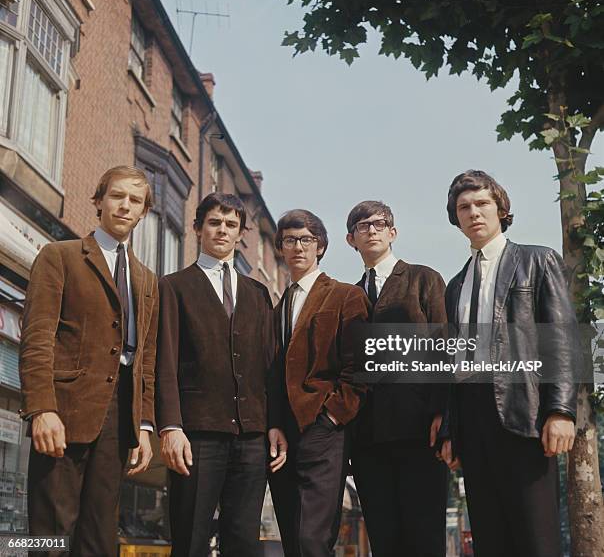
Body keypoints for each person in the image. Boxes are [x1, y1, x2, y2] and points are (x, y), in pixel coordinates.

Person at [19, 165, 158, 556]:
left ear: (143, 213)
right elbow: (37, 338)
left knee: (99, 540)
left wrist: (144, 425)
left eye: (135, 201)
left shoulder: (148, 281)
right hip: (63, 413)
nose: (125, 206)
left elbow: (144, 357)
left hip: (118, 424)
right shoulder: (59, 256)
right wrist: (41, 408)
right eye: (117, 196)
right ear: (99, 202)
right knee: (50, 537)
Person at [440, 170, 578, 557]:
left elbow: (561, 339)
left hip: (524, 412)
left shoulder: (537, 260)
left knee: (535, 538)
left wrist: (561, 409)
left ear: (501, 208)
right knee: (490, 538)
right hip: (473, 418)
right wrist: (452, 429)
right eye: (463, 207)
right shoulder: (456, 285)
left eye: (482, 203)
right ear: (456, 217)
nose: (473, 213)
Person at [155, 192, 287, 557]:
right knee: (191, 536)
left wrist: (274, 423)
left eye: (231, 225)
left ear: (241, 233)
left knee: (244, 539)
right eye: (214, 222)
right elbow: (163, 360)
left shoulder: (258, 293)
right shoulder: (174, 286)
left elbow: (270, 365)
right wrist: (170, 426)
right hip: (197, 435)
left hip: (252, 437)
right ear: (198, 228)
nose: (222, 231)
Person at [345, 200, 449, 556]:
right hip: (368, 439)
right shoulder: (348, 296)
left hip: (419, 432)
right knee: (384, 539)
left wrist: (442, 415)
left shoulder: (424, 279)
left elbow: (444, 349)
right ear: (351, 240)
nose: (371, 230)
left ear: (393, 233)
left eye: (379, 224)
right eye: (362, 226)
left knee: (424, 536)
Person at [269, 209, 369, 557]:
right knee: (293, 539)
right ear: (280, 247)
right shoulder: (279, 305)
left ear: (321, 247)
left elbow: (361, 367)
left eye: (306, 240)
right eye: (290, 240)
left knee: (314, 539)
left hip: (325, 430)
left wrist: (332, 417)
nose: (298, 247)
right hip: (285, 436)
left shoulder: (344, 295)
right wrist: (276, 424)